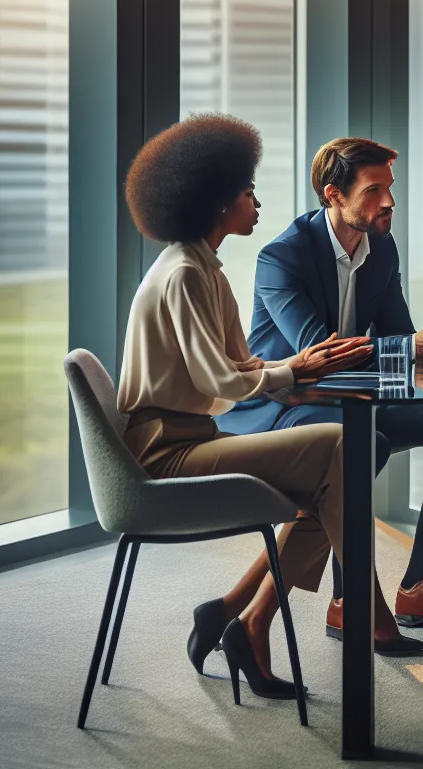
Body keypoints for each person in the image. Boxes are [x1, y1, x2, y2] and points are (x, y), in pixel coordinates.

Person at [115, 114, 374, 701]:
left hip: (193, 438)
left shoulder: (206, 268)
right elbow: (219, 379)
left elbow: (243, 362)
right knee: (341, 449)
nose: (258, 203)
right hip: (164, 455)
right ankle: (352, 607)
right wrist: (294, 371)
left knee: (335, 470)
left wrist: (300, 364)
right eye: (249, 192)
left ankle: (245, 617)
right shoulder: (184, 273)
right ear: (218, 199)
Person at [216, 137, 423, 647]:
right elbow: (321, 354)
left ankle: (419, 583)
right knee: (364, 445)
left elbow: (397, 334)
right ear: (334, 195)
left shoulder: (381, 246)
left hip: (355, 395)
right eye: (373, 191)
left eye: (390, 188)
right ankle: (351, 603)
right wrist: (411, 349)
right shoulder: (281, 257)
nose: (389, 201)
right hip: (286, 404)